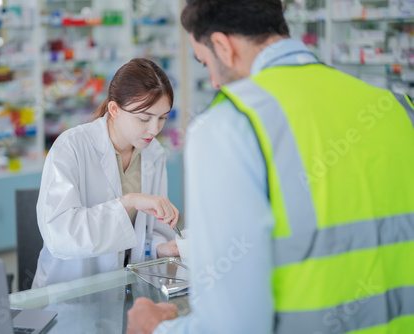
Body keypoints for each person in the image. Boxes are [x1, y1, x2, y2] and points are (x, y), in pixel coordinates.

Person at [127, 1, 414, 333]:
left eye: (207, 63)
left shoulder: (231, 126)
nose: (216, 82)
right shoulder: (398, 110)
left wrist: (155, 329)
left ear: (222, 45)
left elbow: (235, 326)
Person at [33, 58, 180, 288]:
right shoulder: (71, 147)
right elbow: (59, 234)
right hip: (70, 293)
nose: (154, 129)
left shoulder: (153, 153)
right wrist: (128, 202)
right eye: (144, 118)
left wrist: (162, 249)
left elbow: (149, 232)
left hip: (127, 287)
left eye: (162, 118)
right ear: (114, 109)